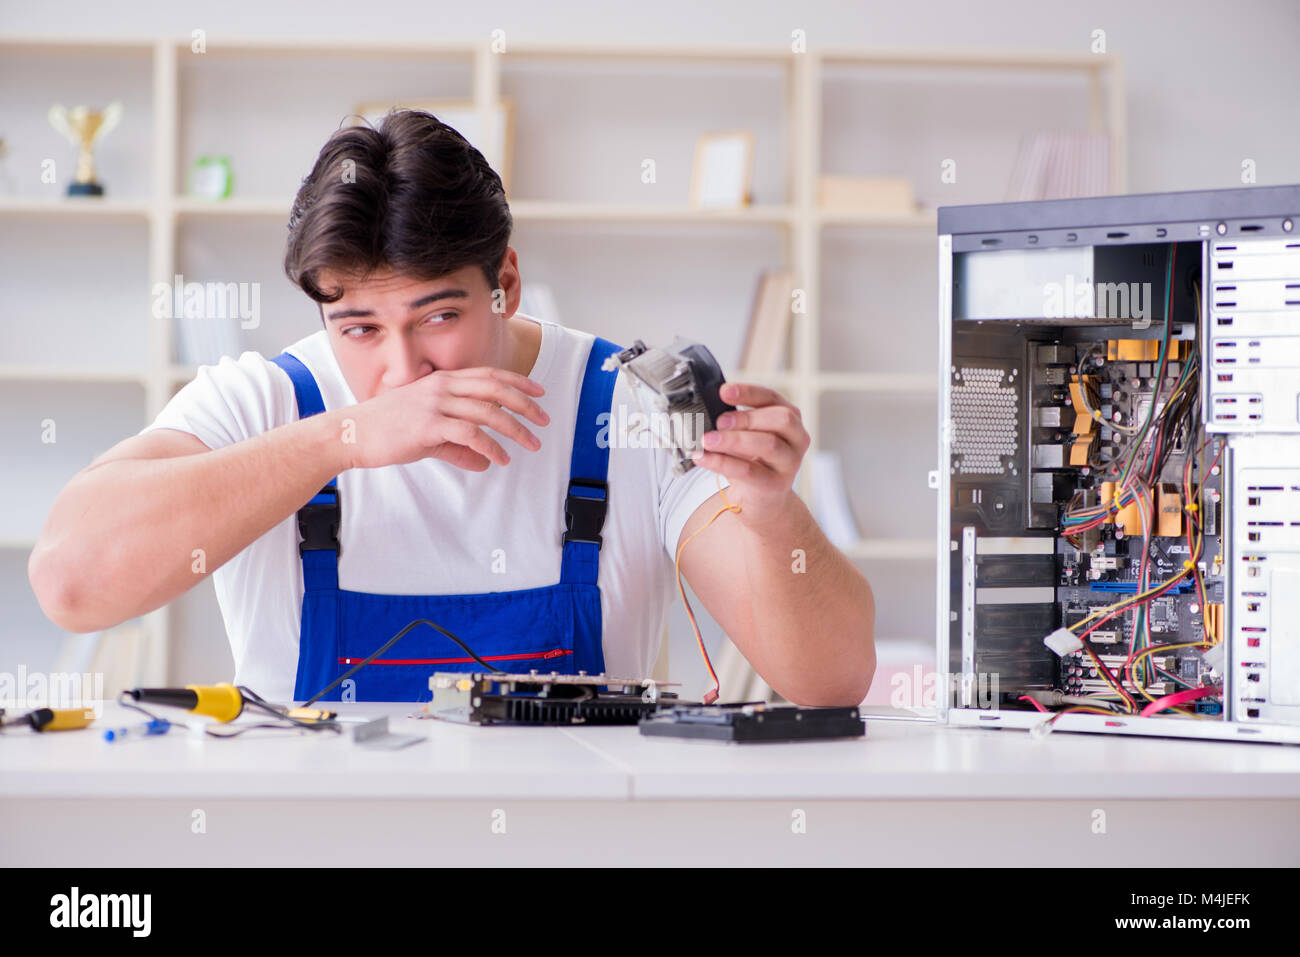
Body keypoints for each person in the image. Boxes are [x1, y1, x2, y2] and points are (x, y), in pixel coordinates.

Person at [28, 109, 875, 706]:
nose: (403, 371)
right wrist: (345, 439)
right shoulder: (267, 399)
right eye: (359, 327)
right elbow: (70, 582)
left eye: (438, 317)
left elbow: (830, 681)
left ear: (504, 282)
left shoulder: (629, 407)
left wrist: (772, 518)